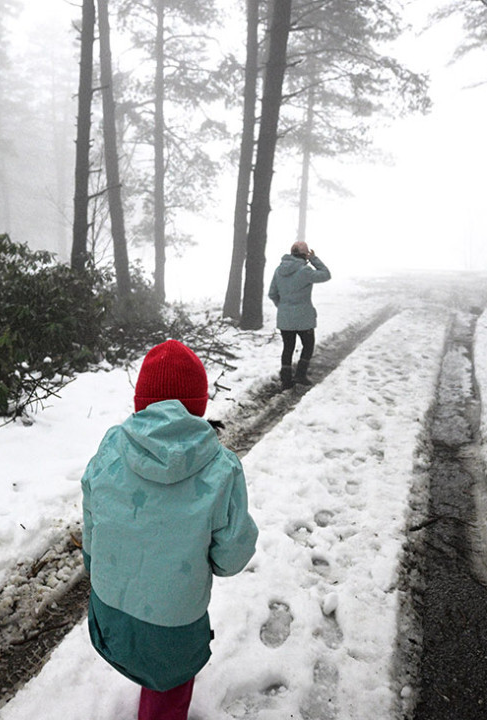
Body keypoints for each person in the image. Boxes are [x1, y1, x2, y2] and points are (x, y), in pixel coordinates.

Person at [81, 339, 259, 720]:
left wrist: (97, 564)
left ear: (140, 401)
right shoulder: (222, 469)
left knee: (145, 653)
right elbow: (231, 558)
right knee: (168, 690)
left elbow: (92, 525)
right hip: (173, 634)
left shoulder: (111, 446)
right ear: (199, 404)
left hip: (108, 618)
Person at [267, 240, 331, 389]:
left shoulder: (278, 270)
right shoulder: (305, 271)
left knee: (288, 347)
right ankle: (300, 375)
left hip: (285, 317)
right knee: (308, 345)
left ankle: (286, 379)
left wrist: (282, 306)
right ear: (305, 255)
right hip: (304, 317)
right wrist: (314, 259)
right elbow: (326, 275)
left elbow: (272, 293)